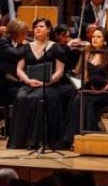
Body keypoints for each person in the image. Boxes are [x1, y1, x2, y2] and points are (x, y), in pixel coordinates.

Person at [8, 18, 70, 150]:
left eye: (41, 26)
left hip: (49, 85)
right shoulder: (25, 47)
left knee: (36, 98)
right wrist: (28, 81)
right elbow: (19, 69)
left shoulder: (55, 47)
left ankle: (34, 141)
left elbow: (60, 71)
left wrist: (46, 82)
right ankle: (19, 141)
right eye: (35, 26)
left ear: (48, 29)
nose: (37, 29)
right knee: (21, 97)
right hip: (29, 83)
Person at [64, 26, 108, 143]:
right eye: (93, 37)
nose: (95, 39)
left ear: (105, 41)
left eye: (98, 37)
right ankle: (74, 137)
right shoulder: (88, 55)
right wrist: (84, 87)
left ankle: (91, 136)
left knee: (88, 101)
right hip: (91, 90)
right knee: (77, 98)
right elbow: (84, 76)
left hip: (106, 93)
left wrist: (99, 91)